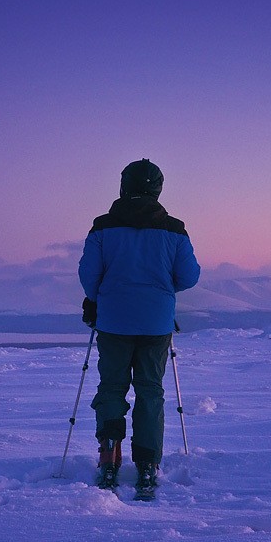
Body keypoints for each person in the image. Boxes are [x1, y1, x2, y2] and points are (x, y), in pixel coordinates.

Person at [78, 159, 201, 498]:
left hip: (114, 321)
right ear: (157, 188)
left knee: (112, 387)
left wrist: (99, 297)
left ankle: (110, 455)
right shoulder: (174, 229)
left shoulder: (102, 227)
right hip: (156, 322)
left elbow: (89, 274)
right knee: (150, 389)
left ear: (124, 186)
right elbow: (189, 276)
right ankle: (147, 463)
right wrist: (161, 290)